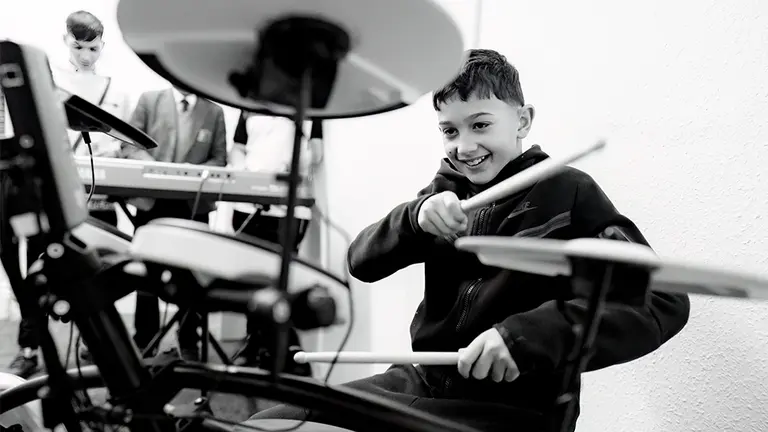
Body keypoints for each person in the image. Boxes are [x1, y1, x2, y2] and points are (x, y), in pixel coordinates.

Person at [248, 49, 691, 431]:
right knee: (268, 423)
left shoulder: (567, 192)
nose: (464, 147)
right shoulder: (444, 193)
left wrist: (528, 337)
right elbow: (360, 262)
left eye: (480, 125)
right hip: (423, 382)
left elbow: (661, 298)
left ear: (523, 120)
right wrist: (414, 218)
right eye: (450, 130)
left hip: (514, 409)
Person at [5, 10, 131, 378]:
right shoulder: (50, 83)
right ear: (66, 42)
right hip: (55, 193)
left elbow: (123, 147)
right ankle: (30, 348)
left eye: (93, 48)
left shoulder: (117, 91)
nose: (86, 55)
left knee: (97, 274)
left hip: (101, 196)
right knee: (39, 274)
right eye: (78, 47)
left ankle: (96, 346)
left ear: (102, 46)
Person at [122, 86, 227, 360]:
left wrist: (192, 174)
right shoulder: (149, 100)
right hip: (152, 202)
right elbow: (130, 145)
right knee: (146, 273)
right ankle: (145, 340)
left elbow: (220, 157)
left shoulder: (214, 111)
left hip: (193, 204)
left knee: (193, 276)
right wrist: (160, 171)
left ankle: (189, 341)